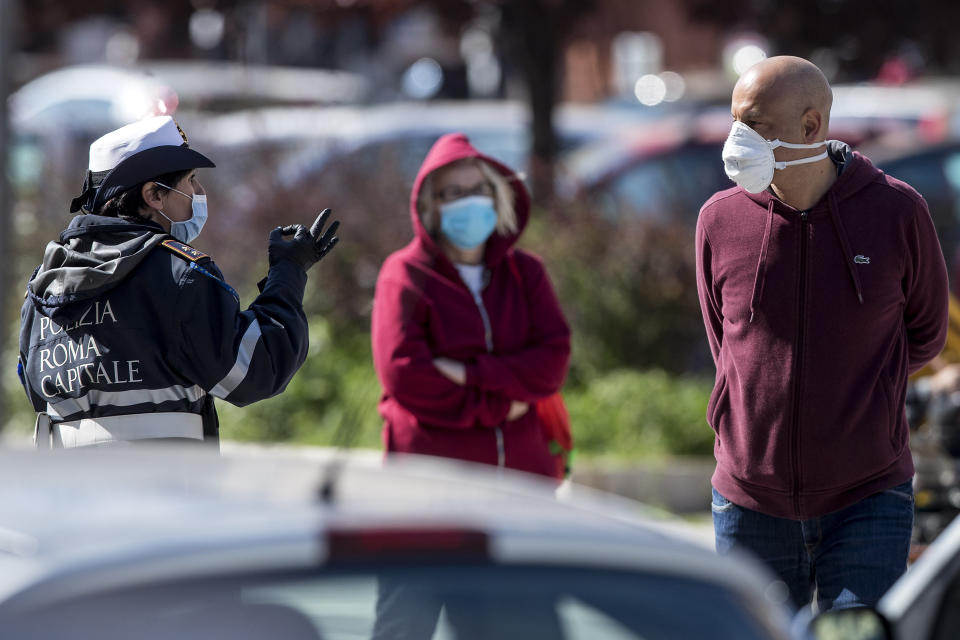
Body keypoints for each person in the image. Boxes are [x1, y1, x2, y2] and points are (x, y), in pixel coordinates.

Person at [696, 55, 949, 611]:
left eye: (755, 123)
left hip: (868, 497)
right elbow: (726, 341)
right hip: (748, 502)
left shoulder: (896, 212)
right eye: (736, 120)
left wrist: (862, 386)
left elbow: (926, 332)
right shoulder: (719, 219)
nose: (737, 138)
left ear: (811, 126)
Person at [18, 115, 339, 448]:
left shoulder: (42, 287)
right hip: (165, 491)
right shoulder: (179, 274)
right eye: (191, 180)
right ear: (154, 195)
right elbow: (256, 369)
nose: (199, 192)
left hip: (66, 493)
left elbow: (33, 388)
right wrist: (289, 271)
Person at [369, 132, 570, 638]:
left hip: (520, 494)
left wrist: (473, 373)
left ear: (498, 196)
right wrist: (501, 407)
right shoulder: (405, 275)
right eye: (452, 193)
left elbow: (551, 362)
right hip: (427, 498)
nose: (467, 202)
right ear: (429, 206)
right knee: (404, 626)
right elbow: (406, 375)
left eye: (477, 189)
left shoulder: (527, 273)